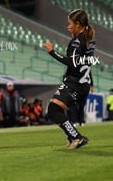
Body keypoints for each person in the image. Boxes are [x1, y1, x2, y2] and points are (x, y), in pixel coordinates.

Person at [42, 9, 95, 149]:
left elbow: (73, 63)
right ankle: (73, 137)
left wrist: (52, 52)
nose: (68, 26)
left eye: (70, 23)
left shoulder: (77, 42)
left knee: (53, 110)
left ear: (78, 24)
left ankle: (76, 137)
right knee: (54, 109)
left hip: (75, 84)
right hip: (80, 84)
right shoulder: (85, 40)